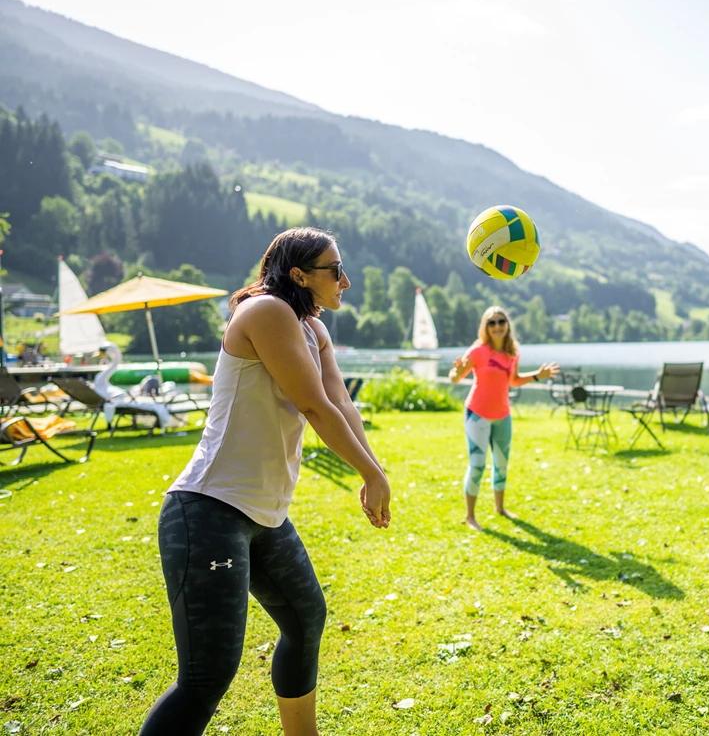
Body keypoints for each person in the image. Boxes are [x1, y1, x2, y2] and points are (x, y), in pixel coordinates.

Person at [140, 228, 391, 736]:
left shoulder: (311, 328)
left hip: (263, 517)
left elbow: (340, 402)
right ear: (298, 274)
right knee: (206, 675)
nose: (345, 280)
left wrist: (375, 468)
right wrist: (369, 473)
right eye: (334, 270)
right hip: (209, 512)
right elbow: (313, 405)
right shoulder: (266, 311)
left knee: (305, 620)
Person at [449, 306, 559, 530]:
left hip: (502, 416)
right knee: (477, 465)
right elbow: (455, 378)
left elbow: (513, 380)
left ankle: (500, 508)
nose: (497, 326)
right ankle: (470, 516)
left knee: (501, 464)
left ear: (507, 325)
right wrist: (456, 370)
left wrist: (538, 376)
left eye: (501, 322)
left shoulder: (512, 352)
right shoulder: (477, 351)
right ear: (485, 327)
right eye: (492, 322)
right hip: (477, 415)